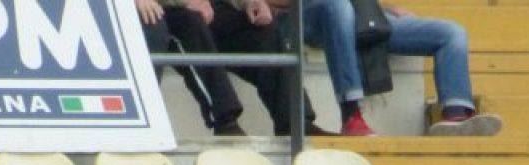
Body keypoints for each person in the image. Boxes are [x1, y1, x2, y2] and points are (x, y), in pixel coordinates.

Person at [282, 0, 504, 136]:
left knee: (451, 33)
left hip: (362, 16)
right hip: (307, 15)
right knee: (338, 6)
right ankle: (351, 116)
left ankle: (456, 116)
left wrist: (384, 7)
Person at [138, 0, 319, 137]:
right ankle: (226, 123)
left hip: (207, 8)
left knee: (264, 31)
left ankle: (297, 123)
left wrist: (249, 2)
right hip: (160, 11)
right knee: (190, 23)